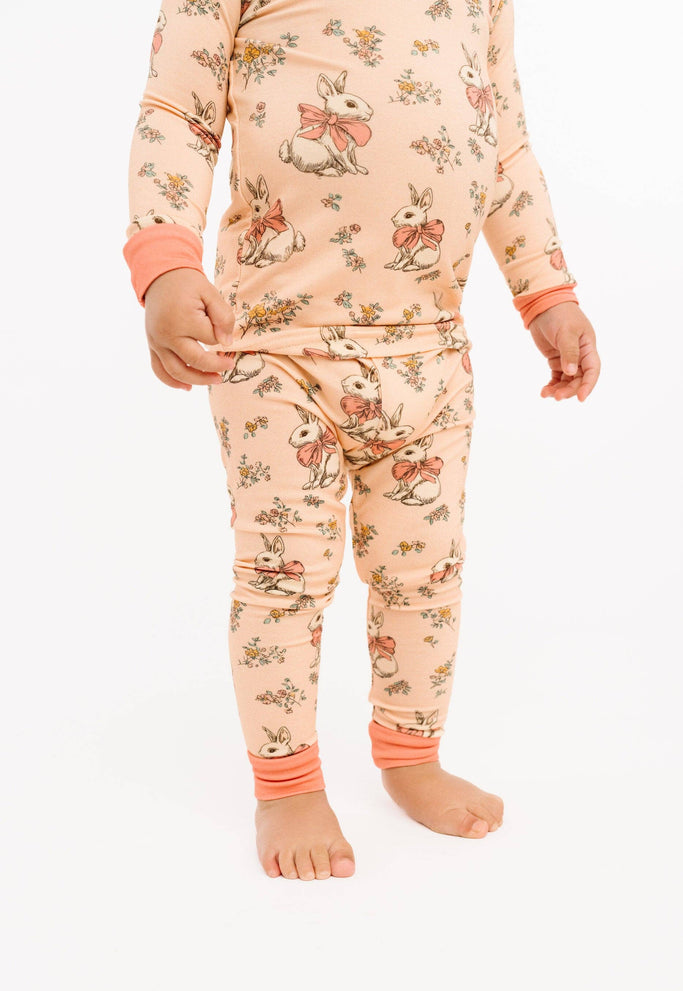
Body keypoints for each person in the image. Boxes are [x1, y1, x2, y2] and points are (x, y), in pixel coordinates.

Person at [123, 0, 600, 881]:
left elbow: (504, 144)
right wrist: (166, 265)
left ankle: (411, 753)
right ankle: (287, 785)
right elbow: (178, 111)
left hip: (430, 349)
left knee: (426, 572)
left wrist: (546, 293)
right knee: (284, 576)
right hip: (273, 344)